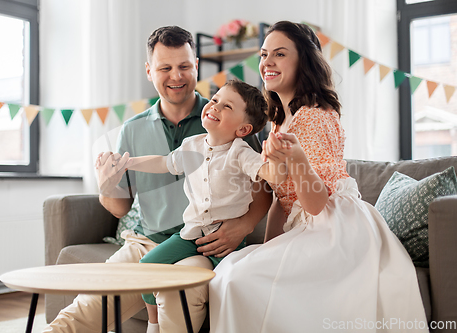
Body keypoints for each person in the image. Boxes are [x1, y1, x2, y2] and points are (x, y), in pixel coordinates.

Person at [44, 26, 272, 333]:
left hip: (203, 245)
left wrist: (242, 227)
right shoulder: (133, 129)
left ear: (196, 66)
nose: (176, 76)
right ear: (150, 71)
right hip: (145, 241)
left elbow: (264, 188)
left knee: (177, 294)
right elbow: (119, 208)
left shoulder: (230, 118)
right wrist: (107, 184)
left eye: (184, 67)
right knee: (81, 312)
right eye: (165, 68)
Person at [209, 21, 428, 333]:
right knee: (230, 272)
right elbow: (280, 201)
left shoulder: (315, 117)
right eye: (264, 53)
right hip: (304, 226)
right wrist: (266, 249)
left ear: (303, 62)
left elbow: (316, 204)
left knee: (238, 280)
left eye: (280, 54)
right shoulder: (279, 122)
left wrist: (298, 160)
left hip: (335, 230)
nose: (267, 62)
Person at [115, 80, 287, 333]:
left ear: (243, 128)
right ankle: (153, 323)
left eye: (226, 106)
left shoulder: (240, 152)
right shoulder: (192, 145)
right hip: (190, 235)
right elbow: (163, 163)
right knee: (146, 268)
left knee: (231, 290)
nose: (214, 106)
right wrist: (126, 162)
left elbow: (268, 175)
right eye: (215, 100)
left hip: (225, 241)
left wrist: (279, 160)